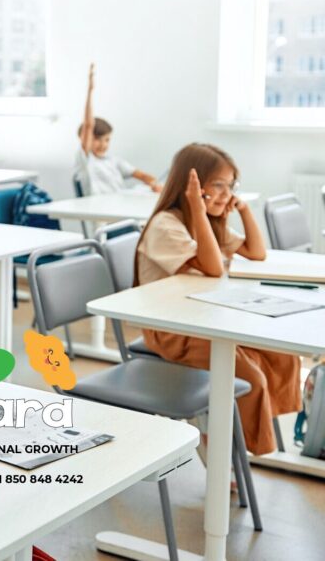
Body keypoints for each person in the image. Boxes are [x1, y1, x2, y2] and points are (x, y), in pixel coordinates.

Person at [135, 143, 300, 455]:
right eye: (219, 185)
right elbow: (211, 269)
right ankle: (227, 447)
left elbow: (256, 252)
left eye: (232, 185)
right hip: (172, 329)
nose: (226, 193)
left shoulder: (210, 222)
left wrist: (244, 209)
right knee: (249, 376)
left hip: (206, 319)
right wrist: (197, 210)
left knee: (281, 355)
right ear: (191, 187)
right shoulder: (166, 224)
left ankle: (246, 433)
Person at [75, 63, 161, 195]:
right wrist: (90, 91)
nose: (103, 144)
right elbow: (88, 125)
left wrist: (155, 184)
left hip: (117, 205)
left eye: (107, 140)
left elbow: (143, 176)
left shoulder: (113, 161)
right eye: (98, 139)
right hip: (98, 211)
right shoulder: (86, 160)